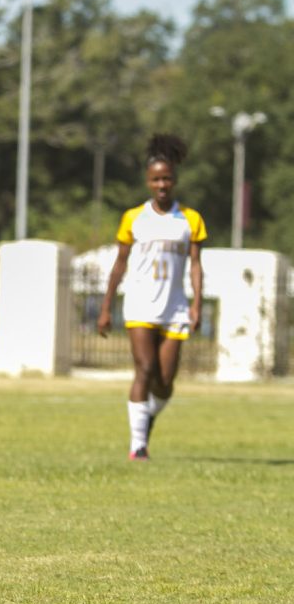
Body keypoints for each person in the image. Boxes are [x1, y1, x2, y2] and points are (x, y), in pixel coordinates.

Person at [97, 133, 205, 461]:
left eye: (167, 178)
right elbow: (119, 265)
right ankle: (137, 445)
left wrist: (197, 304)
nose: (162, 184)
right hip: (140, 305)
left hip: (174, 308)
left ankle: (147, 417)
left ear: (174, 180)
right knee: (143, 369)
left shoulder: (190, 219)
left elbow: (197, 265)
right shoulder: (133, 218)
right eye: (156, 179)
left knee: (165, 382)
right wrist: (106, 307)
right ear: (148, 181)